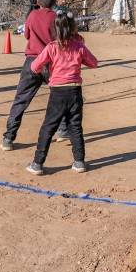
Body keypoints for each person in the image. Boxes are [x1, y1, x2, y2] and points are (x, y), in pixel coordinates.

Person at [26, 11, 98, 175]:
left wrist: (48, 65)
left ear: (55, 29)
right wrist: (80, 52)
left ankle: (37, 163)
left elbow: (34, 67)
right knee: (75, 127)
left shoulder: (51, 47)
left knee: (48, 127)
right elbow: (94, 63)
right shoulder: (79, 46)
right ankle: (79, 162)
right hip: (74, 91)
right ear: (73, 28)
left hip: (57, 92)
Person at [1, 0, 58, 151]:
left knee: (20, 100)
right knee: (60, 96)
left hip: (32, 61)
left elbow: (26, 35)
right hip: (50, 62)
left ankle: (8, 138)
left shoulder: (32, 15)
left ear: (38, 1)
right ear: (54, 2)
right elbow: (58, 38)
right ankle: (63, 130)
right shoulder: (55, 17)